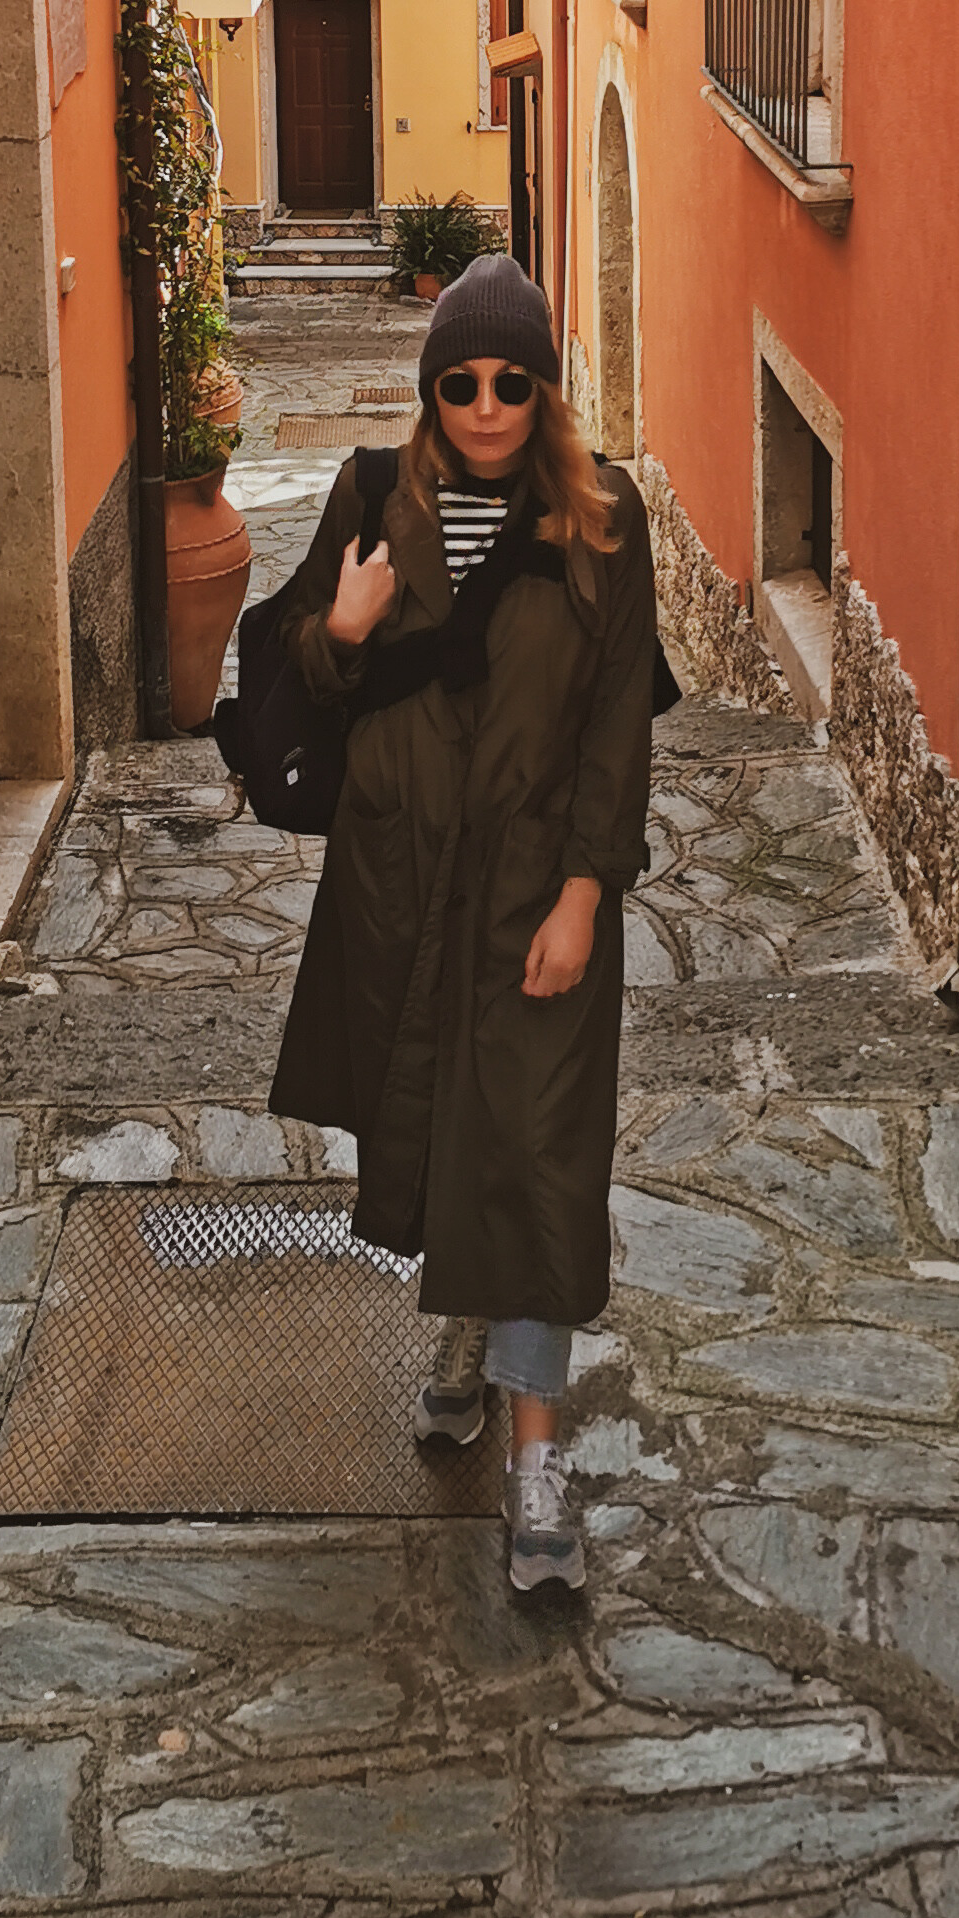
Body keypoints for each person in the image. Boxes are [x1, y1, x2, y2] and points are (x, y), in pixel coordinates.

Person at [265, 250, 657, 1594]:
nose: (486, 407)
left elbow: (617, 725)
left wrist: (587, 892)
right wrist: (345, 628)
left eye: (512, 383)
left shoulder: (605, 518)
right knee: (440, 1112)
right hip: (403, 883)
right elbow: (302, 676)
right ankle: (470, 1318)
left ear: (545, 389)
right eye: (460, 384)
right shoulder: (374, 494)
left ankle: (536, 1467)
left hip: (538, 894)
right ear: (431, 390)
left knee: (543, 1159)